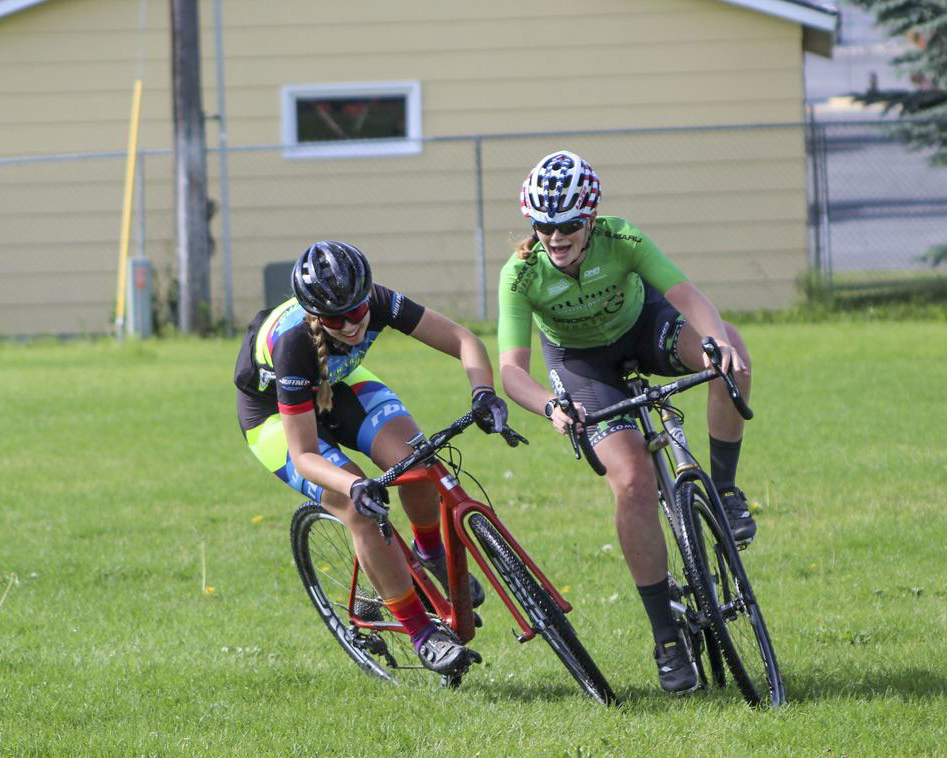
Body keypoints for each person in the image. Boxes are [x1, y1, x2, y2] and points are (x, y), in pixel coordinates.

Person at [496, 150, 755, 694]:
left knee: (733, 349)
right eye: (545, 226)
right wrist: (549, 405)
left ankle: (726, 493)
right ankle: (666, 638)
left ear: (590, 217)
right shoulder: (520, 275)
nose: (557, 236)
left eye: (568, 224)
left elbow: (686, 295)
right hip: (582, 365)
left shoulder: (623, 239)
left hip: (643, 327)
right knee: (633, 482)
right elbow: (511, 372)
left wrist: (716, 342)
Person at [234, 240, 509, 675]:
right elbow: (304, 453)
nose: (350, 326)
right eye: (335, 319)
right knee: (360, 510)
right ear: (314, 314)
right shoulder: (294, 343)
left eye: (357, 312)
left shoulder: (376, 301)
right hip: (272, 416)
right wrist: (352, 485)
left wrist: (483, 393)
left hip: (337, 382)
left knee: (420, 462)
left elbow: (463, 340)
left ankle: (429, 551)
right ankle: (422, 633)